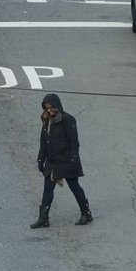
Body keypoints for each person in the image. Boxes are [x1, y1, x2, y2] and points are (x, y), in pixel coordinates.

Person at [31, 92, 92, 229]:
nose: (50, 110)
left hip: (67, 160)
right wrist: (41, 159)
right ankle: (43, 218)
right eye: (47, 108)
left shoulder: (68, 120)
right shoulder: (46, 121)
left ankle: (86, 213)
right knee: (48, 189)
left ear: (57, 106)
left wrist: (74, 158)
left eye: (52, 107)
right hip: (52, 162)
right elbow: (44, 142)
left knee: (74, 186)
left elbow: (74, 142)